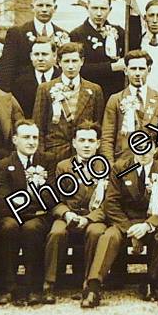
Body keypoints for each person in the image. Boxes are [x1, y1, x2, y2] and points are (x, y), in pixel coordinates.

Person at [83, 141, 158, 308]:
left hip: (152, 220)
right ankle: (93, 287)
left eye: (147, 148)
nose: (143, 153)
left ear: (155, 149)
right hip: (125, 220)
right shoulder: (120, 167)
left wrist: (147, 225)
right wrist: (128, 228)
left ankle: (150, 281)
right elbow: (111, 203)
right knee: (109, 236)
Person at [0, 119, 58, 306]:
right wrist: (34, 205)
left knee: (31, 228)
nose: (31, 142)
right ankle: (9, 287)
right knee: (8, 227)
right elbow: (4, 200)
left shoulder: (48, 160)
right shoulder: (3, 165)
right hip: (12, 216)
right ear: (15, 140)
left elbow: (51, 196)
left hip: (38, 218)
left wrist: (26, 203)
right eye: (26, 137)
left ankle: (33, 288)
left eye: (35, 137)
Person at [45, 121, 109, 304]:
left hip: (93, 216)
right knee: (56, 232)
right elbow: (55, 199)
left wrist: (88, 219)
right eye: (82, 140)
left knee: (96, 232)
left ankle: (89, 284)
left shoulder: (106, 167)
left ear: (98, 143)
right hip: (69, 215)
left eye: (91, 140)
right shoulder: (63, 166)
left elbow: (109, 203)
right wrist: (66, 214)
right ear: (74, 143)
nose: (86, 145)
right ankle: (50, 283)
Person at [32, 42, 105, 170]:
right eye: (66, 61)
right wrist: (42, 155)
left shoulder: (94, 90)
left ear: (82, 61)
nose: (71, 66)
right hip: (54, 153)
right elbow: (38, 125)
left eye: (74, 61)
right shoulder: (45, 89)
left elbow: (98, 124)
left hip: (84, 154)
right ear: (59, 62)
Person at [100, 50, 158, 165]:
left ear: (149, 70)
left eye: (142, 69)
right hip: (123, 162)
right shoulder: (115, 99)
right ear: (125, 71)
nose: (137, 73)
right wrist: (111, 166)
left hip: (152, 161)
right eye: (133, 69)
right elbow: (107, 137)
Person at [0, 0, 69, 92]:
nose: (44, 9)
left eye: (48, 6)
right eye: (40, 5)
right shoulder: (17, 33)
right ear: (32, 7)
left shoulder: (63, 35)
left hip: (56, 91)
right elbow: (7, 68)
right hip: (23, 92)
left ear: (55, 8)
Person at [70, 0, 135, 100]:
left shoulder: (120, 32)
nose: (99, 13)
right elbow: (78, 68)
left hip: (117, 94)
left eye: (103, 9)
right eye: (95, 8)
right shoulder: (77, 35)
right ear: (88, 8)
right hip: (89, 95)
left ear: (110, 10)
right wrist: (111, 67)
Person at [10, 37, 61, 118]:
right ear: (31, 56)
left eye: (44, 54)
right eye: (36, 54)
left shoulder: (62, 79)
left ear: (54, 56)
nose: (40, 59)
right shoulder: (19, 82)